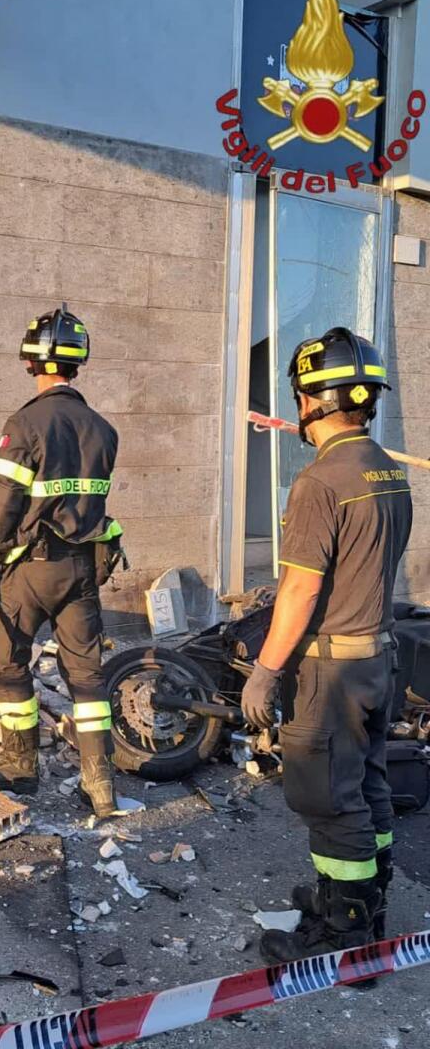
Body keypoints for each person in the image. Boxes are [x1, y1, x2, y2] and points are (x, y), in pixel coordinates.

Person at [242, 327, 411, 963]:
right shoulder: (387, 471)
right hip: (378, 660)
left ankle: (346, 943)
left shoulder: (319, 483)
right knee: (366, 789)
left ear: (309, 400)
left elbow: (299, 593)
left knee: (328, 802)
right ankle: (365, 903)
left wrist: (264, 671)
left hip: (331, 672)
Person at [0, 305, 123, 819]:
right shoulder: (103, 430)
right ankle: (100, 785)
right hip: (82, 569)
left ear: (31, 361)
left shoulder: (25, 423)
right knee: (87, 677)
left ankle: (19, 765)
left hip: (30, 568)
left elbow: (6, 498)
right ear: (79, 362)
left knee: (7, 664)